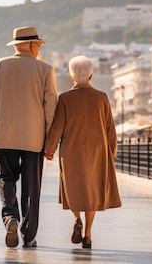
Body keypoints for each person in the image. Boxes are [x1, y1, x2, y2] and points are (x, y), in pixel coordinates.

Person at [0, 26, 58, 248]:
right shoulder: (45, 70)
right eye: (38, 46)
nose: (38, 49)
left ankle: (10, 218)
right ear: (33, 46)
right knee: (32, 187)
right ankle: (29, 233)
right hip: (34, 139)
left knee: (6, 179)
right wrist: (50, 141)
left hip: (3, 135)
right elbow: (50, 109)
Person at [44, 55, 122, 249]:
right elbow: (110, 129)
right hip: (97, 152)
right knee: (92, 192)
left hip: (71, 152)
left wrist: (50, 149)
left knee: (74, 189)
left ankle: (76, 218)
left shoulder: (65, 99)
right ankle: (87, 235)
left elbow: (57, 128)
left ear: (71, 77)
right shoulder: (102, 98)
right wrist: (111, 152)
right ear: (91, 75)